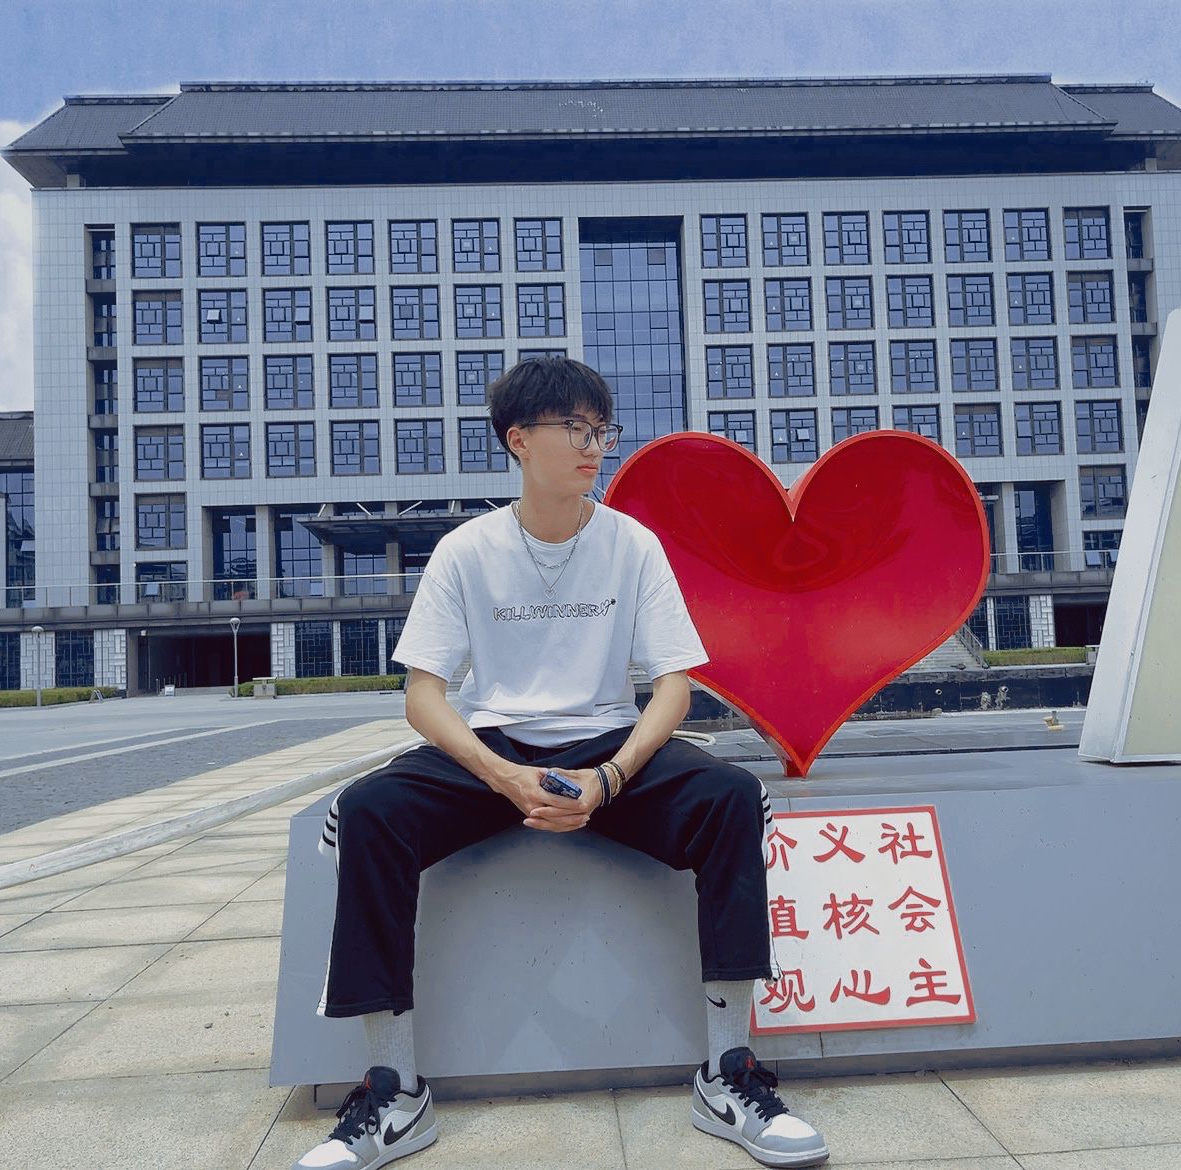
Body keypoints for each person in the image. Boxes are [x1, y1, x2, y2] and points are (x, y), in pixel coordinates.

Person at [294, 357, 828, 1170]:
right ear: (519, 440)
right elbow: (424, 697)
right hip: (497, 749)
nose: (594, 446)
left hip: (606, 745)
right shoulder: (466, 550)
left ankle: (728, 1072)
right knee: (369, 810)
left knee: (728, 797)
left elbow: (673, 687)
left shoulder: (632, 545)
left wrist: (610, 778)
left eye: (601, 430)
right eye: (575, 428)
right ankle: (394, 1090)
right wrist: (502, 776)